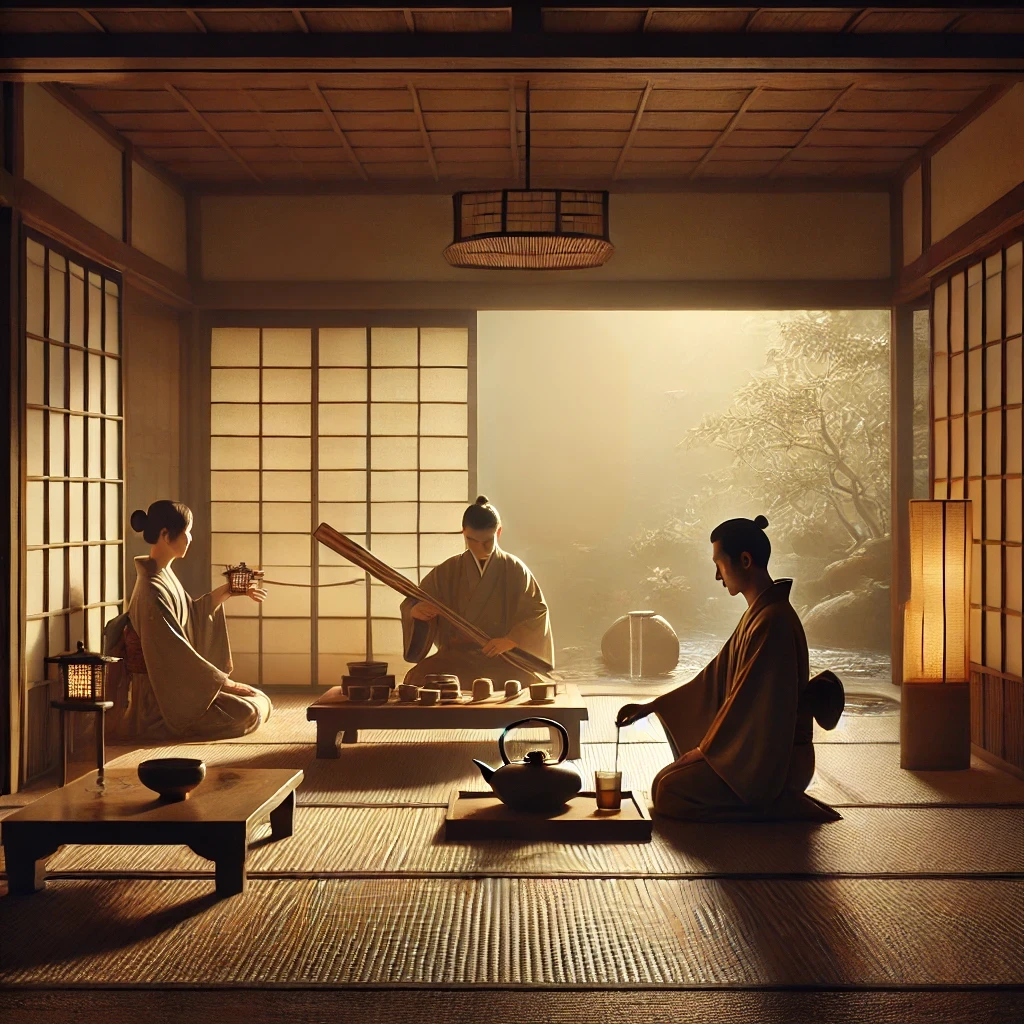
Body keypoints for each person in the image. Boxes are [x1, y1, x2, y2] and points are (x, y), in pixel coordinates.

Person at [616, 515, 839, 822]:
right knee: (665, 785)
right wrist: (653, 706)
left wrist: (708, 751)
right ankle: (765, 805)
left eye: (719, 564)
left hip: (777, 763)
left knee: (668, 790)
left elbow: (747, 706)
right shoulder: (761, 614)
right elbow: (714, 679)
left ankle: (772, 807)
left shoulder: (772, 621)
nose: (718, 576)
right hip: (757, 753)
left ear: (745, 560)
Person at [104, 500, 273, 741]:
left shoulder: (161, 575)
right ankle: (156, 725)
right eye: (186, 532)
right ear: (165, 534)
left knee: (259, 700)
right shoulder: (151, 588)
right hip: (160, 699)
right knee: (249, 712)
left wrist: (230, 590)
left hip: (177, 686)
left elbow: (192, 614)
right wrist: (224, 683)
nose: (190, 538)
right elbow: (174, 653)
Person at [400, 496, 554, 686]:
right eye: (472, 540)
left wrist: (511, 640)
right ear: (464, 533)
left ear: (498, 533)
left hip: (501, 658)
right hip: (456, 658)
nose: (480, 548)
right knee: (417, 677)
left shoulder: (514, 569)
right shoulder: (448, 570)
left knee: (530, 683)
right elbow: (412, 602)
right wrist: (416, 612)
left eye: (487, 541)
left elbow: (536, 612)